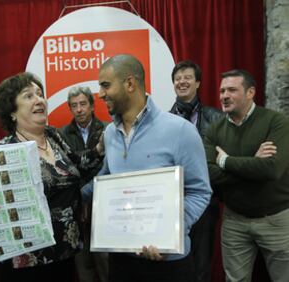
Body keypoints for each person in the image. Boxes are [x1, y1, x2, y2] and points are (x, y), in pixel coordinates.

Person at [0, 72, 103, 282]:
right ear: (12, 112)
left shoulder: (53, 136)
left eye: (40, 94)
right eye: (28, 96)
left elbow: (78, 164)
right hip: (29, 262)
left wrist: (101, 148)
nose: (39, 99)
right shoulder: (5, 151)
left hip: (66, 251)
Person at [86, 54, 211, 282]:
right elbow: (105, 182)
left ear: (130, 84)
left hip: (167, 262)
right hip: (121, 259)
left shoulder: (180, 130)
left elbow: (200, 191)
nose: (101, 94)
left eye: (105, 85)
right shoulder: (109, 134)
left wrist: (169, 232)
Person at [204, 69, 289, 282]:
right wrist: (253, 162)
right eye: (222, 90)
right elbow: (209, 173)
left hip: (276, 220)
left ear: (250, 92)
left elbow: (271, 170)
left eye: (232, 90)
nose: (224, 95)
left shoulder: (276, 122)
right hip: (234, 221)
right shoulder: (214, 130)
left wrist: (226, 161)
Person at [169, 60, 223, 282]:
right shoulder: (165, 121)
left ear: (198, 82)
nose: (182, 82)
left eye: (187, 77)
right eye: (177, 78)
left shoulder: (216, 118)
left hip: (204, 203)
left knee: (202, 263)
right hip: (174, 203)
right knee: (175, 263)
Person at [60, 86, 108, 282]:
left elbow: (108, 165)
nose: (79, 110)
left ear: (92, 105)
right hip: (77, 204)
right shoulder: (61, 134)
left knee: (105, 260)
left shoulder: (107, 129)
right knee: (83, 263)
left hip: (102, 202)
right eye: (74, 106)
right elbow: (68, 168)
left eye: (82, 104)